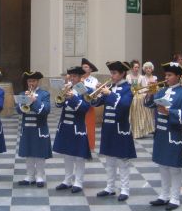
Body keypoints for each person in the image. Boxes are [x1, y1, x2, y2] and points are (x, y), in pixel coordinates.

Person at [145, 62, 182, 211]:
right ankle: (164, 195)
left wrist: (169, 112)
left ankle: (175, 197)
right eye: (165, 75)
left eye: (170, 75)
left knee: (174, 167)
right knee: (163, 166)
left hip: (174, 134)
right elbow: (149, 104)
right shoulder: (161, 91)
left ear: (178, 76)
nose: (166, 78)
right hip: (161, 133)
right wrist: (151, 93)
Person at [91, 60, 136, 201]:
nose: (112, 75)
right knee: (109, 160)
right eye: (111, 73)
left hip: (120, 129)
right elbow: (95, 103)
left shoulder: (128, 89)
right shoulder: (109, 86)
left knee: (122, 161)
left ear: (123, 73)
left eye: (115, 73)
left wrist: (109, 94)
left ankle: (125, 189)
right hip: (108, 129)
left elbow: (124, 105)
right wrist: (97, 93)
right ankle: (109, 187)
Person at [53, 66, 91, 193]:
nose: (72, 79)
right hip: (65, 126)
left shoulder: (85, 90)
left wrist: (73, 98)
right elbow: (58, 104)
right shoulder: (67, 88)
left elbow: (85, 108)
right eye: (71, 76)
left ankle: (78, 182)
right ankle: (67, 180)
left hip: (78, 127)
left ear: (80, 78)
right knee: (67, 154)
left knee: (79, 156)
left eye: (75, 76)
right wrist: (62, 96)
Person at [15, 70, 52, 187]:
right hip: (27, 128)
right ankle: (30, 176)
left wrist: (34, 101)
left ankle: (40, 176)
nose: (32, 83)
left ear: (38, 82)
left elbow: (46, 110)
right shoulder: (22, 94)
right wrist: (23, 103)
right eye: (30, 81)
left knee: (39, 154)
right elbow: (18, 110)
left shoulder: (44, 94)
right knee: (29, 153)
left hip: (39, 129)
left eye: (34, 81)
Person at [80, 58, 99, 151]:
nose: (83, 68)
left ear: (90, 70)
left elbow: (94, 92)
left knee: (89, 127)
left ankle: (90, 147)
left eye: (86, 67)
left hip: (89, 106)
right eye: (82, 67)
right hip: (78, 104)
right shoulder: (77, 78)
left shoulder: (94, 80)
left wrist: (84, 85)